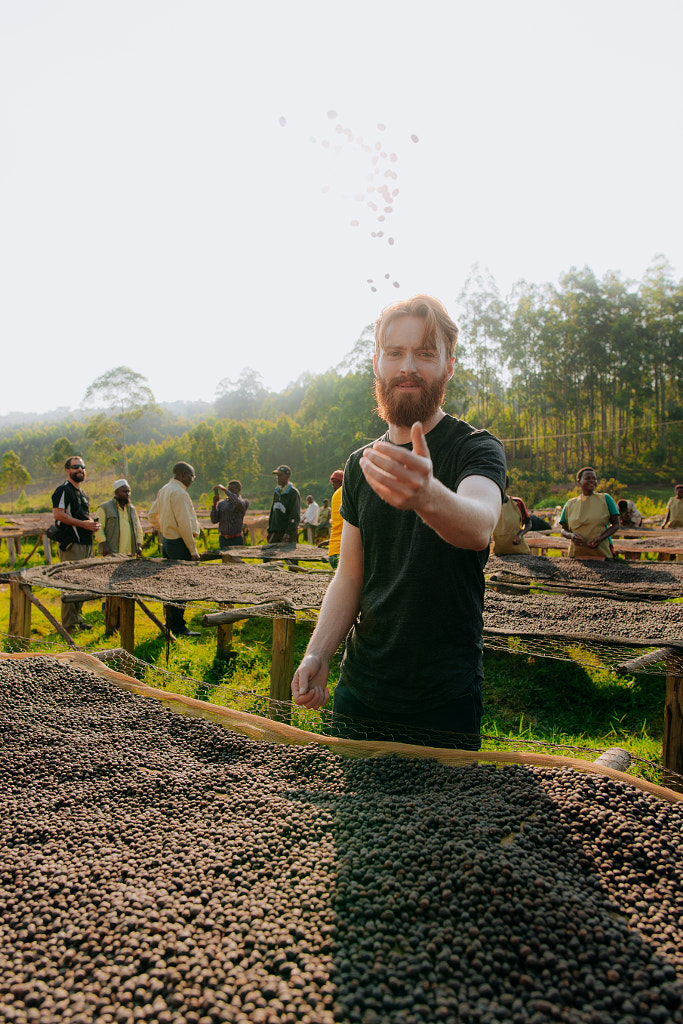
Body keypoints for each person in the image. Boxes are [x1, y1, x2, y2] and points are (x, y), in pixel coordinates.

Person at [291, 294, 506, 749]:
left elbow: (479, 525)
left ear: (448, 365)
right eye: (395, 353)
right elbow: (349, 577)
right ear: (378, 363)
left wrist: (427, 496)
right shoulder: (359, 465)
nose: (408, 366)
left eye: (425, 353)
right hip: (360, 692)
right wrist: (318, 652)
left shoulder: (476, 449)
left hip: (444, 697)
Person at [148, 461, 200, 637]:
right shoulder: (178, 492)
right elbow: (184, 523)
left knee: (171, 584)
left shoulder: (165, 489)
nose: (193, 480)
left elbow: (151, 515)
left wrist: (164, 528)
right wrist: (192, 550)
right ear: (183, 474)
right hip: (179, 543)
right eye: (192, 476)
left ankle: (170, 622)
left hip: (168, 542)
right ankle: (178, 626)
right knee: (181, 585)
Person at [51, 456, 101, 633]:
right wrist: (83, 524)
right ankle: (69, 625)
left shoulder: (83, 493)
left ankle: (78, 620)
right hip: (73, 544)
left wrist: (91, 524)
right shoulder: (63, 490)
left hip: (86, 542)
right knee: (70, 583)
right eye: (75, 467)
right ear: (67, 471)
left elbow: (80, 516)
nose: (79, 470)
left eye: (82, 467)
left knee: (83, 583)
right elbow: (58, 515)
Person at [558, 467, 619, 560]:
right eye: (588, 478)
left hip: (601, 553)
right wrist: (572, 536)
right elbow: (563, 530)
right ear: (579, 482)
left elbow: (616, 524)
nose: (592, 481)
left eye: (594, 478)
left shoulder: (605, 499)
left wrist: (601, 538)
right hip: (577, 555)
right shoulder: (570, 504)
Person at [95, 479, 143, 557]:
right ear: (116, 493)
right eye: (124, 491)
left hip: (130, 553)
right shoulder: (104, 508)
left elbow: (138, 529)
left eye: (129, 491)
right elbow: (98, 529)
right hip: (111, 552)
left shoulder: (132, 509)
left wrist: (139, 545)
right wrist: (104, 546)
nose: (127, 494)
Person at [491, 476, 531, 554]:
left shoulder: (517, 503)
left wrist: (519, 535)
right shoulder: (491, 504)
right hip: (499, 551)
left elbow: (528, 524)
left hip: (519, 551)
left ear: (506, 486)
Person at [210, 480, 249, 549]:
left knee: (236, 559)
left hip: (236, 538)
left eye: (232, 490)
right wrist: (214, 504)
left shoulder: (244, 502)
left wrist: (225, 490)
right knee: (225, 559)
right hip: (223, 539)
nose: (229, 493)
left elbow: (237, 503)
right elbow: (214, 520)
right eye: (229, 490)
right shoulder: (222, 503)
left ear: (239, 490)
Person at [267, 465, 300, 543]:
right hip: (276, 532)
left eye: (280, 475)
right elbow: (273, 512)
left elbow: (295, 515)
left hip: (288, 533)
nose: (278, 478)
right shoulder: (277, 492)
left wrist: (288, 533)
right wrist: (270, 530)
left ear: (287, 476)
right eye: (277, 476)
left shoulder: (293, 493)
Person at [327, 470, 344, 569]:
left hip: (333, 551)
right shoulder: (347, 493)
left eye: (334, 483)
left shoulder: (336, 496)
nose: (333, 486)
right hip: (343, 552)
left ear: (340, 482)